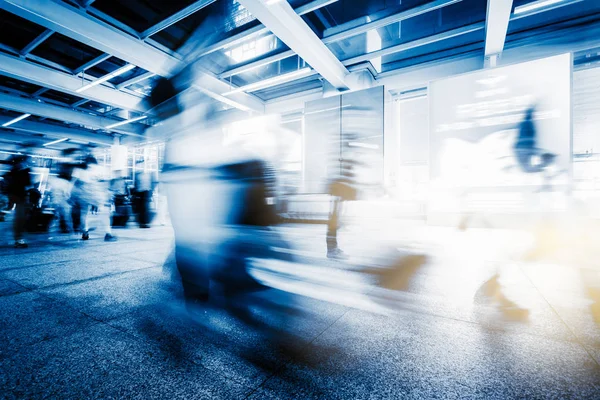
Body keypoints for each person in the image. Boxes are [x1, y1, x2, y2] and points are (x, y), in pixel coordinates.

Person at [72, 155, 117, 242]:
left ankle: (85, 232)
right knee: (104, 214)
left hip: (85, 194)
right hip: (99, 195)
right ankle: (108, 233)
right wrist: (108, 193)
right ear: (95, 161)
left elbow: (76, 183)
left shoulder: (81, 170)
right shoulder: (103, 169)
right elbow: (110, 181)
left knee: (85, 213)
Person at [326, 161, 357, 259]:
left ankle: (333, 249)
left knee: (333, 230)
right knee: (332, 230)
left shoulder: (340, 182)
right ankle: (332, 251)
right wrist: (338, 216)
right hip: (334, 212)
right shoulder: (340, 183)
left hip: (335, 211)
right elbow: (336, 200)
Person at [4, 154, 32, 248]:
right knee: (19, 218)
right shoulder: (17, 172)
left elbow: (27, 184)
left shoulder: (14, 172)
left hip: (17, 197)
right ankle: (18, 239)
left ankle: (18, 238)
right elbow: (27, 184)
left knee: (19, 218)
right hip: (17, 197)